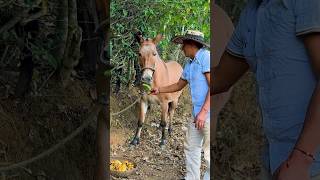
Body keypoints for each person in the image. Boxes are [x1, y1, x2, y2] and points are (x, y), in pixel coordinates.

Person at [213, 0, 320, 179]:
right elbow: (221, 78)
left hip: (308, 164)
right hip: (277, 161)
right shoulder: (252, 14)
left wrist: (302, 158)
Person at [151, 30, 210, 180]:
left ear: (191, 44)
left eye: (183, 45)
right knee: (191, 146)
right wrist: (159, 89)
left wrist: (203, 112)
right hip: (197, 113)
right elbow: (178, 85)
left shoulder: (206, 58)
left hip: (208, 113)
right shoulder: (189, 63)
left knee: (209, 152)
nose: (181, 48)